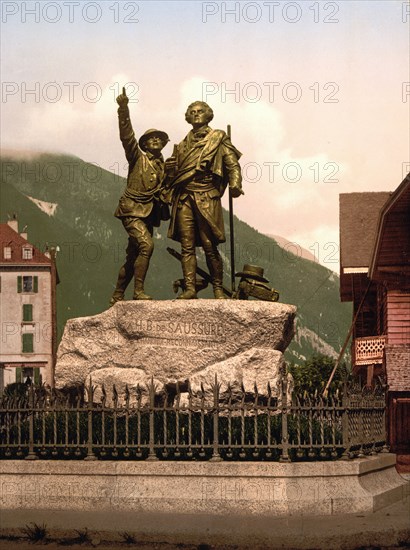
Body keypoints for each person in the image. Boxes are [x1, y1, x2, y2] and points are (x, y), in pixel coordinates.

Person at [164, 101, 243, 299]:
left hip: (207, 196)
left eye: (200, 112)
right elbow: (174, 174)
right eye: (192, 112)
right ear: (187, 117)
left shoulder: (218, 138)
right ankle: (190, 288)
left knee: (209, 244)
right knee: (187, 245)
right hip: (184, 198)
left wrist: (235, 184)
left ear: (209, 115)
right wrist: (170, 169)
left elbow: (232, 164)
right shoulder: (181, 145)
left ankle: (218, 288)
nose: (196, 114)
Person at [110, 88, 169, 305]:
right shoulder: (137, 157)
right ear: (144, 144)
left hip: (149, 214)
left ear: (163, 144)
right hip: (132, 210)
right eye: (151, 139)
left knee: (133, 255)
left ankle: (117, 294)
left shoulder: (164, 166)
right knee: (147, 246)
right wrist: (123, 109)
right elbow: (127, 136)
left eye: (159, 139)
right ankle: (138, 292)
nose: (155, 141)